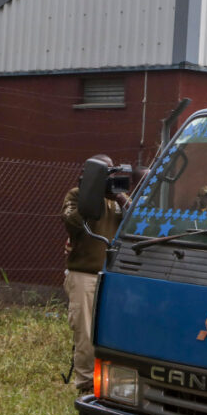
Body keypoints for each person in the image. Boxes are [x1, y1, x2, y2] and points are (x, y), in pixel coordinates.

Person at [61, 155, 129, 391]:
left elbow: (136, 219)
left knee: (113, 330)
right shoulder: (78, 195)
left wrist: (118, 196)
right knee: (86, 332)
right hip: (85, 274)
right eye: (104, 173)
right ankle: (87, 383)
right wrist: (92, 196)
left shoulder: (116, 200)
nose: (109, 178)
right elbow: (73, 221)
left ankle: (112, 380)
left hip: (112, 276)